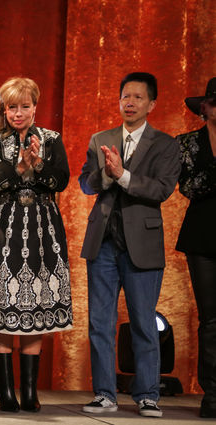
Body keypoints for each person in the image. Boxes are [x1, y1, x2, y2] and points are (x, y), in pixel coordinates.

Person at [79, 72, 180, 418]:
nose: (130, 103)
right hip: (104, 243)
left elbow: (161, 190)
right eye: (125, 97)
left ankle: (148, 394)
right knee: (100, 322)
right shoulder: (101, 138)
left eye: (138, 97)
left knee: (143, 321)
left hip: (143, 244)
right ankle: (104, 394)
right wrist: (106, 173)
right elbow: (86, 184)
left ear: (151, 104)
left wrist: (123, 174)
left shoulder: (166, 144)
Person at [0, 77, 72, 413]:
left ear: (35, 106)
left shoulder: (51, 138)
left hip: (43, 228)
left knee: (37, 303)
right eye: (12, 107)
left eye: (25, 106)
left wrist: (39, 164)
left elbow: (61, 179)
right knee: (3, 302)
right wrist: (18, 169)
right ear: (4, 108)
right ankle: (5, 392)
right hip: (4, 226)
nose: (19, 113)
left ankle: (29, 391)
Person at [176, 77, 216, 418]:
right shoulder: (188, 142)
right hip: (203, 236)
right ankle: (212, 393)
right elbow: (188, 187)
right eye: (215, 102)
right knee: (211, 318)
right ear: (204, 108)